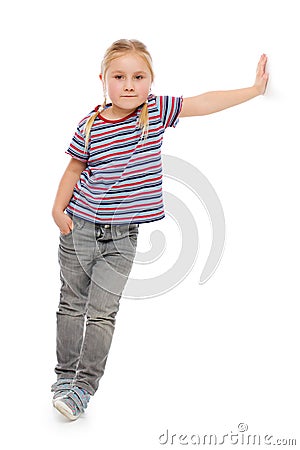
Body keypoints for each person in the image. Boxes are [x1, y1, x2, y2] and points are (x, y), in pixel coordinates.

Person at [51, 39, 268, 420]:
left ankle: (82, 389)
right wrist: (58, 211)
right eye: (120, 77)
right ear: (104, 80)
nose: (130, 85)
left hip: (123, 237)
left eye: (139, 77)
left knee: (102, 312)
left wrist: (252, 90)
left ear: (151, 82)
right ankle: (64, 378)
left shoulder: (156, 111)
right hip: (80, 227)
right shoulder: (89, 124)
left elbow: (202, 102)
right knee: (71, 303)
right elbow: (73, 170)